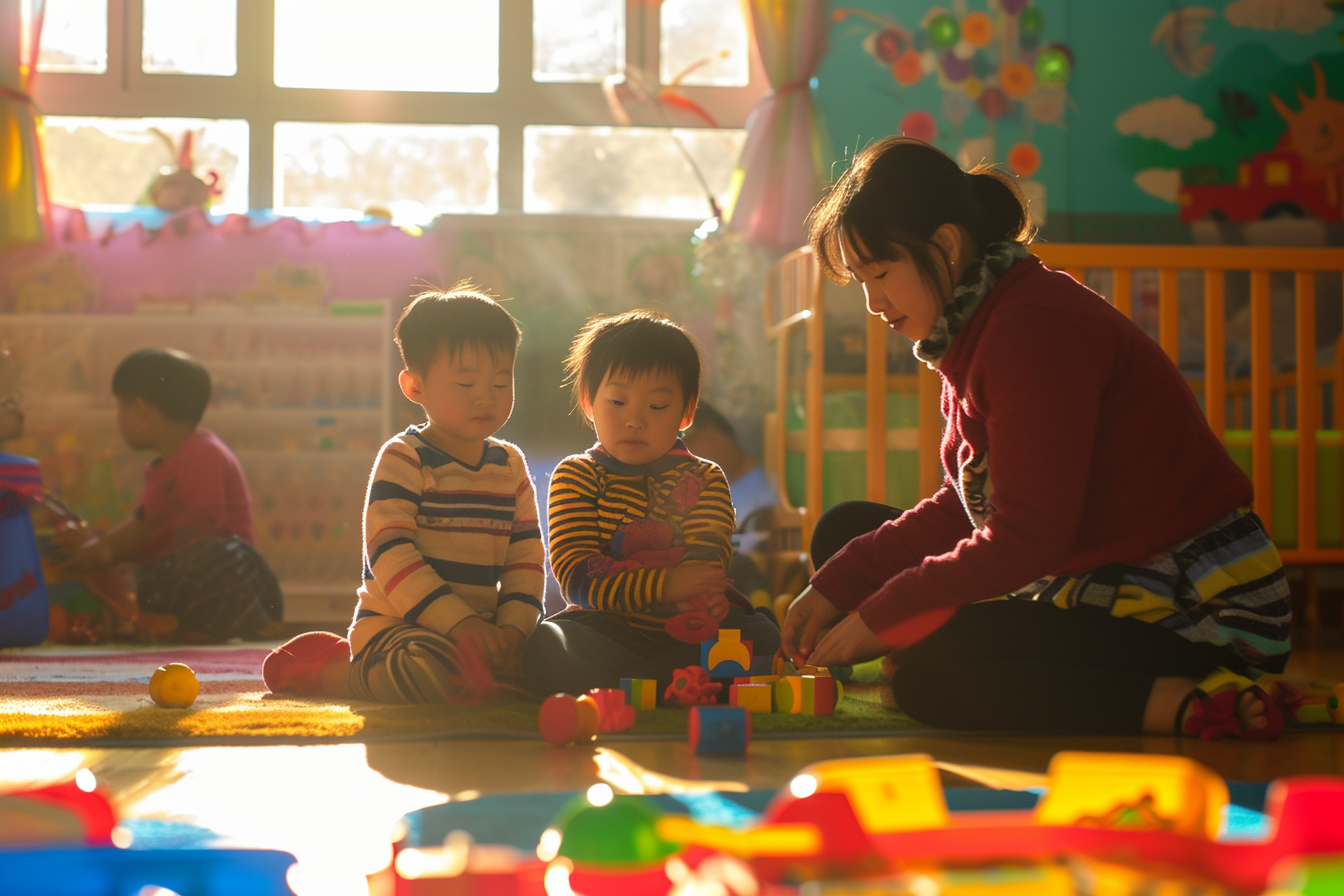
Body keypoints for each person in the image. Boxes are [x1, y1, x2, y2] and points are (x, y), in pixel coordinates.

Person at [781, 136, 1292, 740]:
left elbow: (1026, 537)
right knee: (844, 535)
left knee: (935, 674)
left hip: (1195, 610)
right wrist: (838, 586)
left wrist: (886, 613)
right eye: (860, 280)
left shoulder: (1031, 328)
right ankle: (970, 649)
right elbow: (966, 507)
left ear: (946, 245)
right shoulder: (974, 326)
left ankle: (1181, 699)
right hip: (1090, 577)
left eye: (881, 273)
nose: (873, 302)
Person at [263, 285, 545, 704]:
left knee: (553, 661)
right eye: (466, 382)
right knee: (428, 671)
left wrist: (514, 630)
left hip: (480, 632)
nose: (487, 396)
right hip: (398, 628)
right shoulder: (405, 457)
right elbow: (389, 551)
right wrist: (460, 624)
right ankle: (331, 673)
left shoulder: (509, 464)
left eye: (501, 381)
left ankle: (475, 678)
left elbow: (526, 558)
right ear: (414, 387)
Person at [522, 311, 780, 697]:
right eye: (617, 401)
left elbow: (705, 566)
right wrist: (665, 585)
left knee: (762, 633)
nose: (634, 420)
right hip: (607, 631)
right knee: (548, 644)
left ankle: (646, 681)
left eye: (657, 406)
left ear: (687, 412)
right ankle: (677, 681)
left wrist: (696, 595)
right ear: (589, 402)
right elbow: (577, 576)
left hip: (687, 631)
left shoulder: (705, 478)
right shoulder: (576, 475)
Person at [62, 348, 281, 642]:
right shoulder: (162, 467)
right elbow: (142, 525)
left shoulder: (205, 452)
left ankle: (218, 622)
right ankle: (165, 621)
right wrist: (103, 549)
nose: (119, 418)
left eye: (120, 408)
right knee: (116, 570)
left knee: (214, 555)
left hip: (229, 583)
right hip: (178, 577)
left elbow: (203, 525)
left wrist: (140, 555)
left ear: (140, 409)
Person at [682, 402, 779, 594]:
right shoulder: (700, 494)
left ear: (711, 437)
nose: (684, 460)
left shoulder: (771, 485)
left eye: (687, 448)